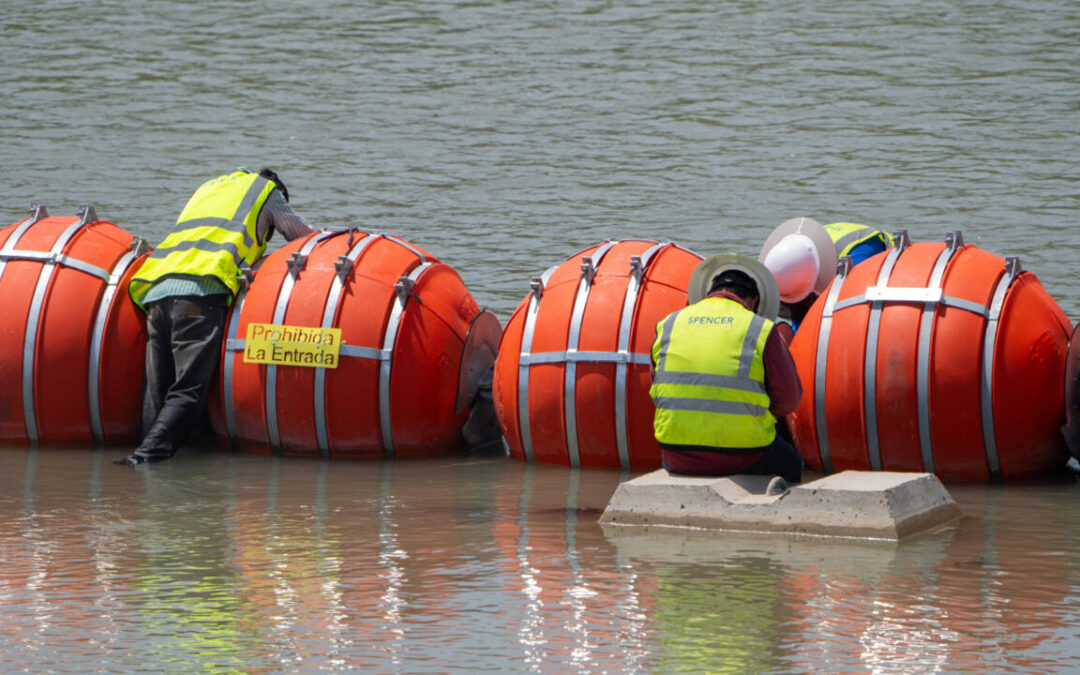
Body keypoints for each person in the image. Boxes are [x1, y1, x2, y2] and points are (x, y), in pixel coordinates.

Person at [115, 168, 314, 466]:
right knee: (189, 389)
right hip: (200, 292)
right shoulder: (265, 192)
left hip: (156, 289)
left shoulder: (211, 188)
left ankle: (150, 458)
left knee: (158, 388)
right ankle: (145, 458)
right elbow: (304, 238)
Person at [649, 254, 803, 486]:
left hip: (676, 455)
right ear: (753, 301)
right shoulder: (760, 329)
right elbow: (789, 400)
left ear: (708, 293)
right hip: (743, 455)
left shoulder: (668, 323)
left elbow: (658, 390)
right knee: (792, 462)